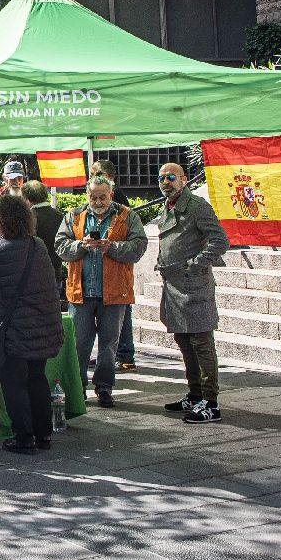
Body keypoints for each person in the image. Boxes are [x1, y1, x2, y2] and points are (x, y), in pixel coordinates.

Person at [0, 194, 65, 455]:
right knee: (36, 378)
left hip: (11, 330)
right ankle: (43, 434)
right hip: (41, 326)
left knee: (14, 383)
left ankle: (24, 437)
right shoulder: (38, 245)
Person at [55, 177, 146, 409]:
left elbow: (139, 247)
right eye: (93, 197)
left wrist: (112, 247)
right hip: (81, 292)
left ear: (111, 195)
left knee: (109, 344)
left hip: (115, 292)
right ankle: (78, 387)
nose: (98, 201)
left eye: (102, 197)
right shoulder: (74, 216)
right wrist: (80, 246)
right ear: (87, 196)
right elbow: (60, 246)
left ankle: (104, 387)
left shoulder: (127, 216)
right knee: (79, 343)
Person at [156, 162, 229, 424]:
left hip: (193, 286)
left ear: (184, 180)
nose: (166, 182)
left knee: (201, 343)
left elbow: (220, 240)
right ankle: (195, 393)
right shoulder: (167, 207)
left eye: (171, 177)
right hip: (174, 287)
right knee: (185, 342)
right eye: (162, 177)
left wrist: (196, 263)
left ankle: (211, 402)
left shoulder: (197, 206)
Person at [89, 160, 138, 371]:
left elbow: (135, 243)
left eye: (97, 174)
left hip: (117, 275)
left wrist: (112, 247)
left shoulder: (120, 205)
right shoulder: (83, 212)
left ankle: (125, 355)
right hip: (96, 276)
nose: (99, 201)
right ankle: (115, 356)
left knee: (121, 317)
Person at [21, 180, 67, 304]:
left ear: (26, 198)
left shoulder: (28, 218)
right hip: (55, 273)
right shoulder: (59, 215)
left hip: (32, 277)